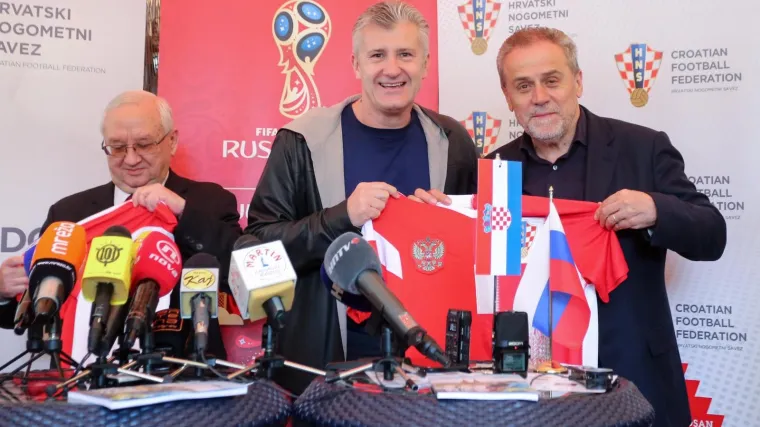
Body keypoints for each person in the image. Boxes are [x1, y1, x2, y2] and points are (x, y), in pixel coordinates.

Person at [488, 27, 726, 426]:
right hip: (530, 391)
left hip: (636, 380)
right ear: (508, 96)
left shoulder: (643, 147)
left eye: (552, 80)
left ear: (578, 82)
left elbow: (712, 235)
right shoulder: (494, 171)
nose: (539, 97)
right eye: (523, 86)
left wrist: (656, 210)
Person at [246, 1, 478, 393]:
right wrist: (341, 217)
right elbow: (256, 248)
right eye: (377, 55)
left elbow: (480, 255)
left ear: (425, 64)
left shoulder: (452, 141)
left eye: (405, 54)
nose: (392, 69)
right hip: (326, 371)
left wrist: (447, 223)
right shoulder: (302, 140)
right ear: (356, 65)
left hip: (429, 368)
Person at [0, 90, 242, 359]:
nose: (131, 159)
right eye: (116, 147)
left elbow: (240, 275)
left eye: (144, 144)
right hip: (84, 372)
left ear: (172, 141)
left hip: (183, 367)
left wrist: (182, 212)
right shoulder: (69, 214)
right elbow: (27, 316)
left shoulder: (209, 201)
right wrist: (4, 292)